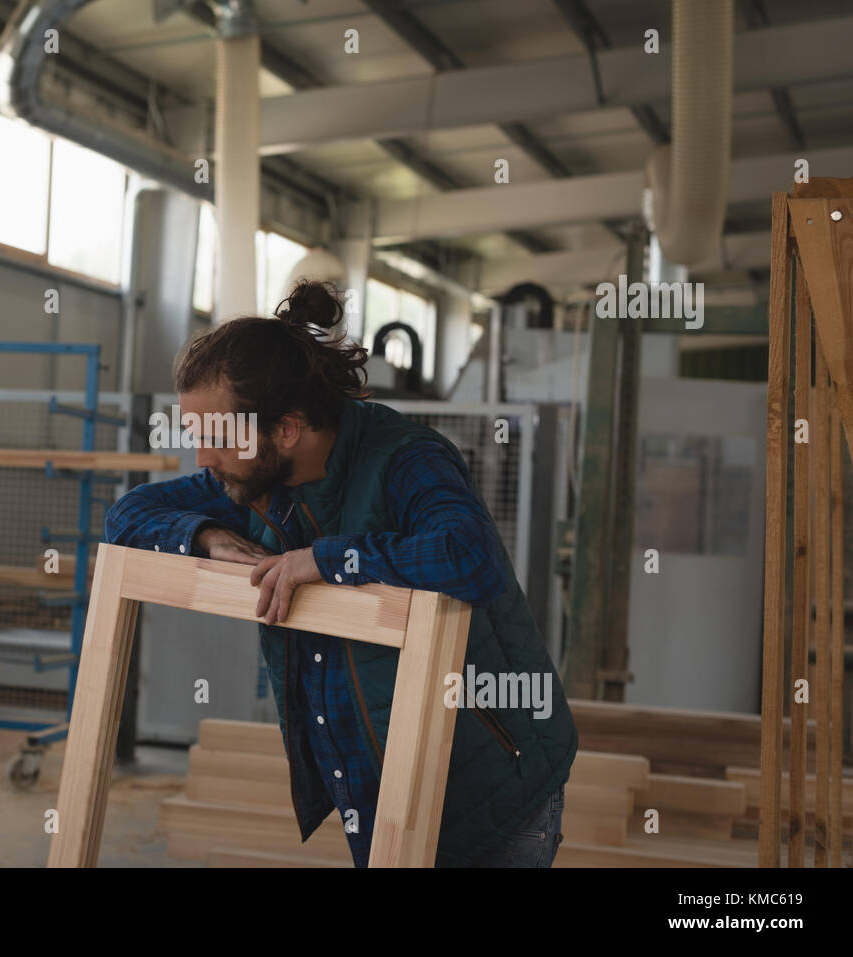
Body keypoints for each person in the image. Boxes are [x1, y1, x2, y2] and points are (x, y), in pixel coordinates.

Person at [105, 280, 576, 867]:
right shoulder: (254, 481)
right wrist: (201, 535)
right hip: (380, 797)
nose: (203, 459)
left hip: (494, 790)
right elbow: (125, 516)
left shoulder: (407, 460)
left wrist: (323, 559)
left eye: (217, 438)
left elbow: (468, 557)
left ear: (286, 428)